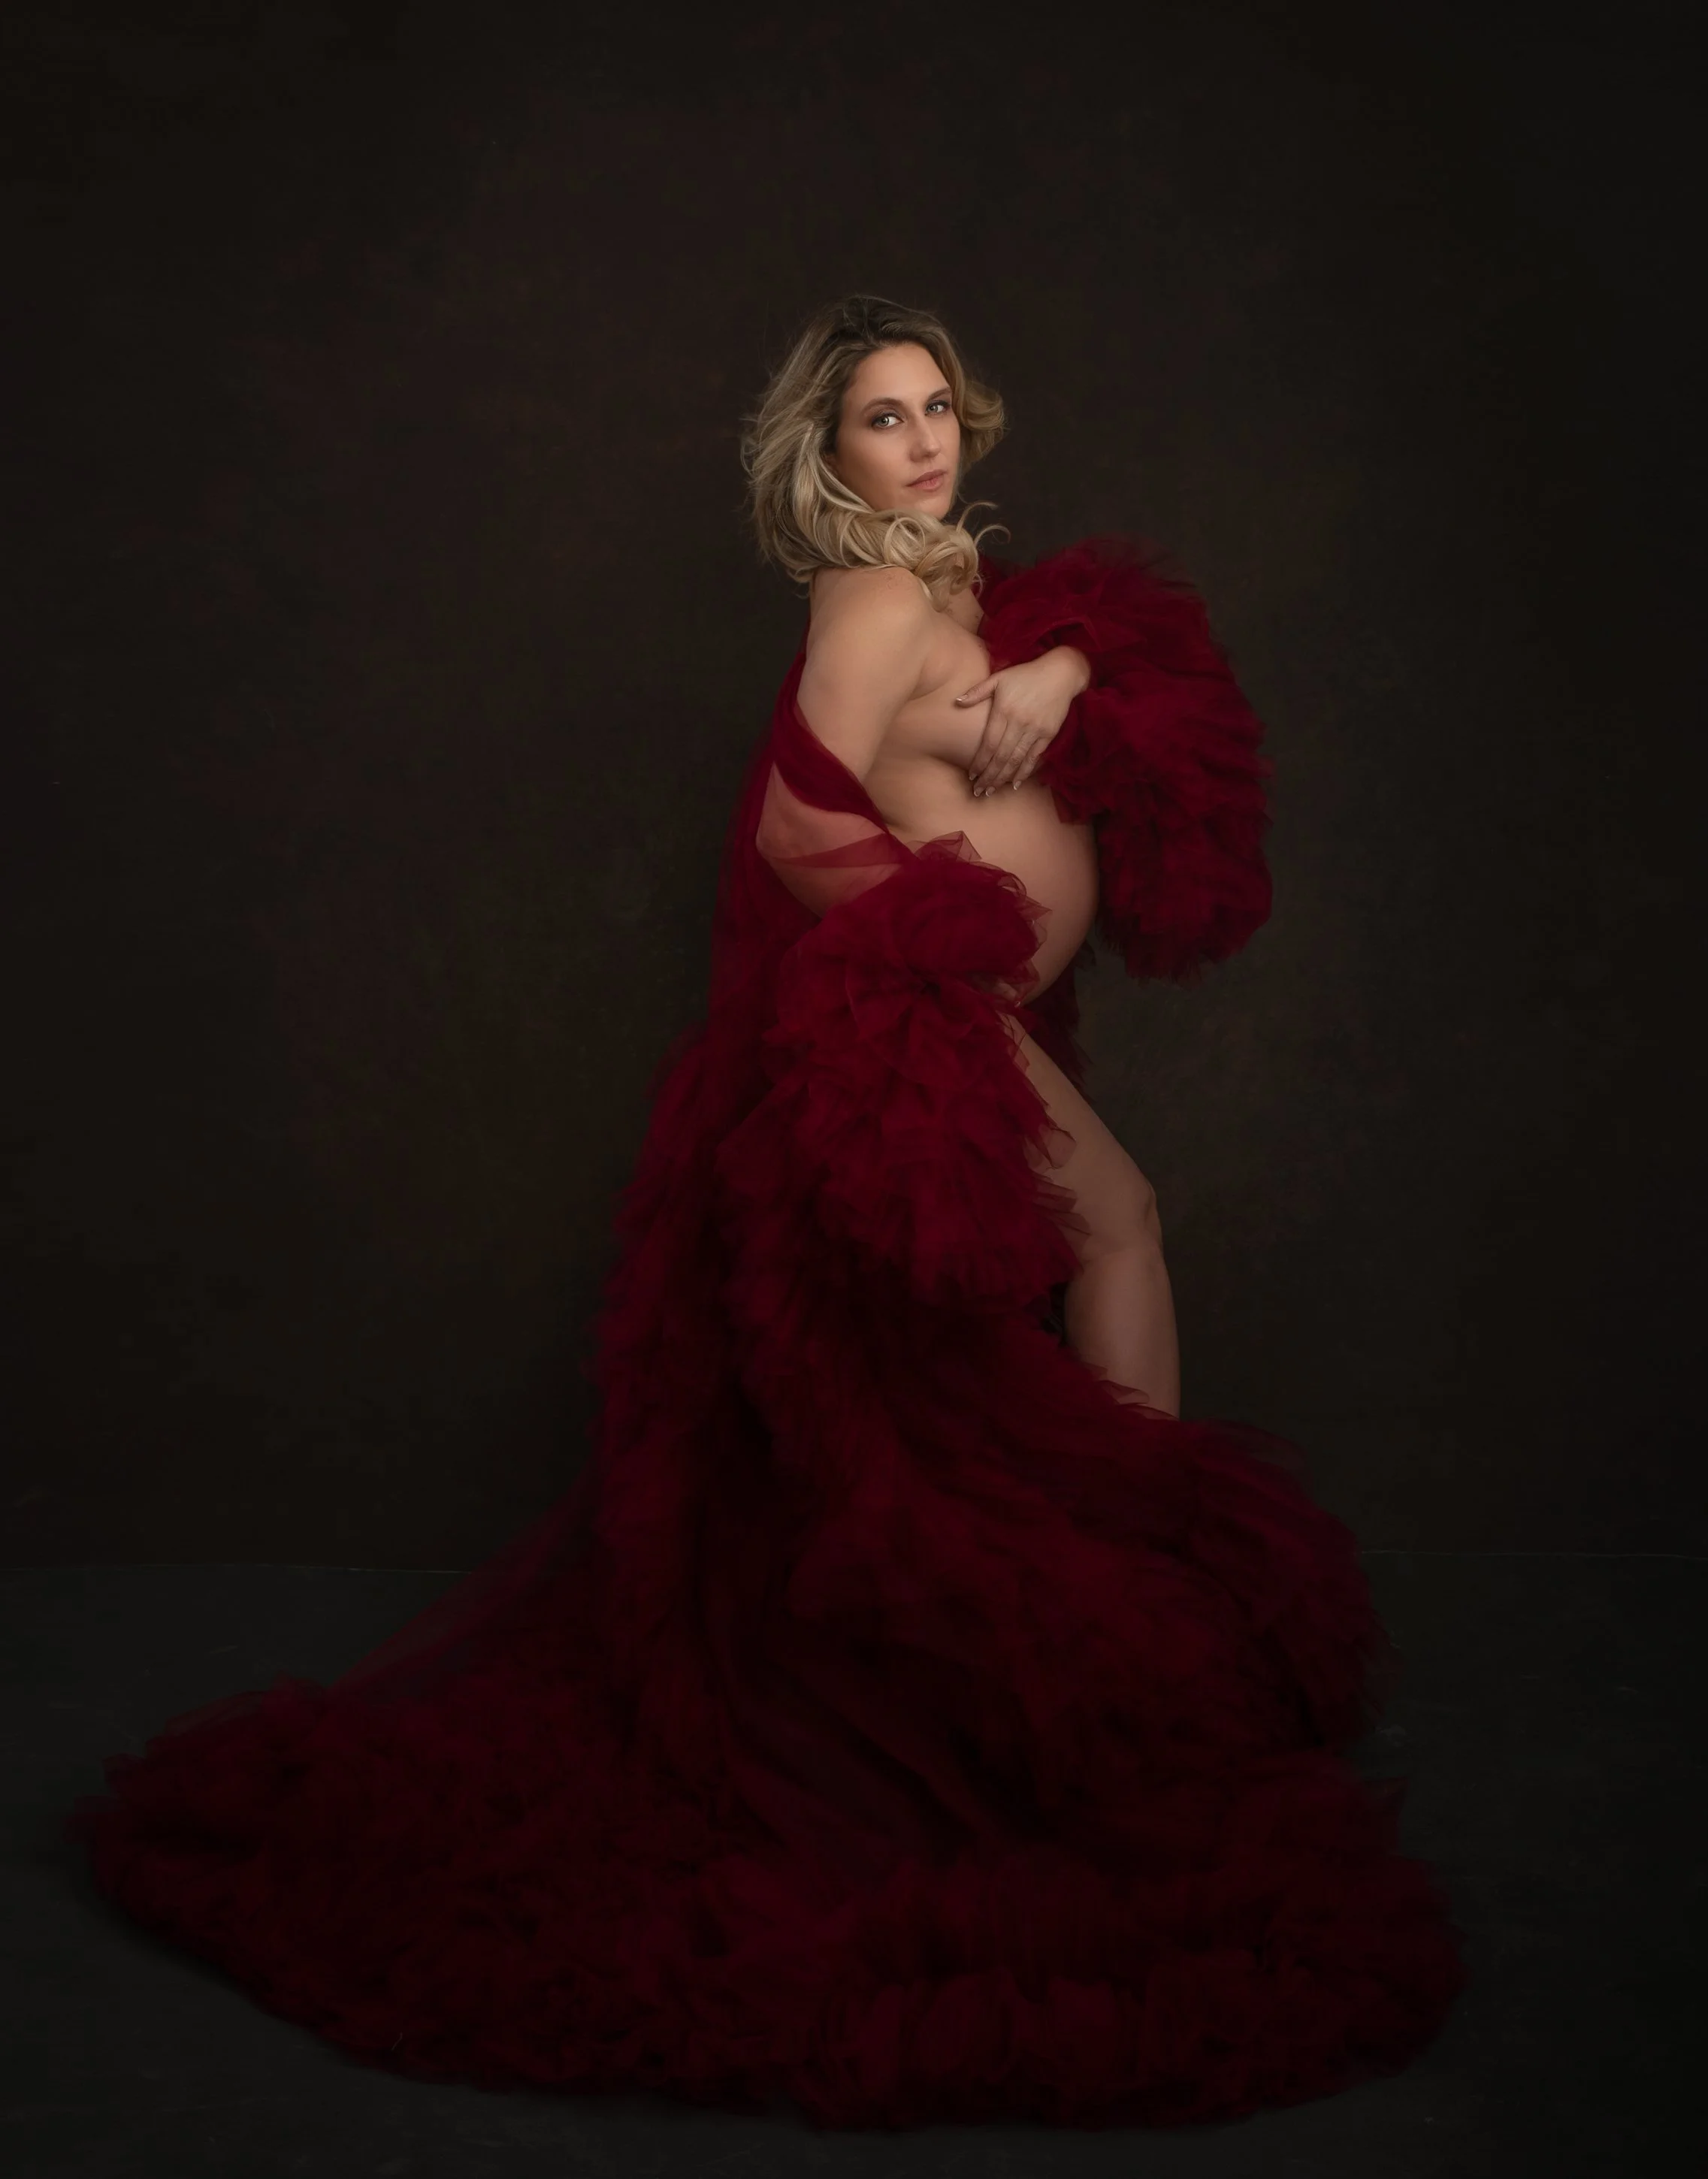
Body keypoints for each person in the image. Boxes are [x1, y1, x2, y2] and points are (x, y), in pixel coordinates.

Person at [69, 294, 1466, 2130]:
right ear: (824, 458)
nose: (920, 442)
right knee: (1113, 1223)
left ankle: (1109, 1584)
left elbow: (1018, 729)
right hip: (915, 1011)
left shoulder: (956, 598)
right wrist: (945, 943)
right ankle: (1132, 1590)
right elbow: (799, 829)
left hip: (964, 1005)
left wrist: (1053, 683)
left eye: (933, 411)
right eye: (879, 421)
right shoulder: (869, 599)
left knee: (1004, 1323)